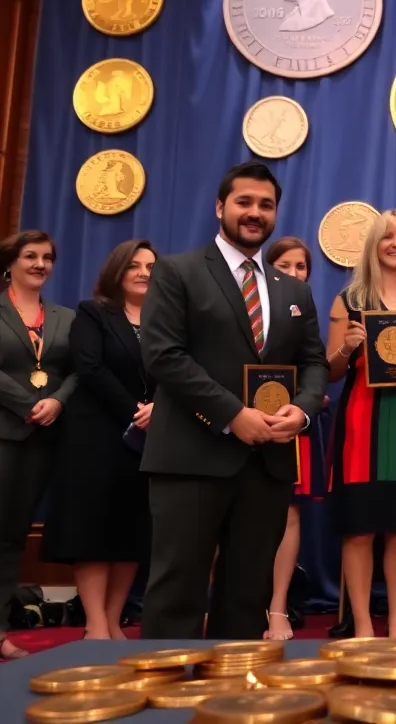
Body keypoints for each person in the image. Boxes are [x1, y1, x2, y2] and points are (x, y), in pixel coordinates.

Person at [140, 162, 328, 640]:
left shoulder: (295, 290)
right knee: (178, 588)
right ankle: (162, 697)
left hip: (267, 462)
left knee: (247, 593)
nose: (255, 212)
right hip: (192, 455)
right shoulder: (176, 272)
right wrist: (232, 415)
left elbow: (314, 363)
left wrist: (302, 411)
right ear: (220, 207)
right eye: (244, 202)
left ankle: (233, 698)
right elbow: (164, 356)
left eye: (266, 205)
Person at [327, 210, 396, 639]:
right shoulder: (349, 301)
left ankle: (395, 627)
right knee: (358, 530)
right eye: (387, 237)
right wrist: (346, 350)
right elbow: (331, 371)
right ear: (373, 245)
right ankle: (362, 627)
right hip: (360, 426)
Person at [42, 240, 156, 640]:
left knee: (131, 530)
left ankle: (112, 617)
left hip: (144, 439)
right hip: (95, 435)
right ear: (118, 271)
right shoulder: (94, 313)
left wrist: (157, 408)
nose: (144, 272)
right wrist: (135, 410)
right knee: (92, 529)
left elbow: (178, 370)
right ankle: (94, 624)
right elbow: (90, 369)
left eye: (150, 266)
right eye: (135, 265)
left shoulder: (165, 320)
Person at [0, 231, 75, 660]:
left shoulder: (64, 317)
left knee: (12, 539)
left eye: (47, 257)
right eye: (30, 256)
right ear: (11, 261)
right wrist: (29, 404)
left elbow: (79, 371)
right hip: (5, 432)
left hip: (42, 440)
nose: (40, 264)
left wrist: (58, 401)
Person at [261, 237, 331, 640]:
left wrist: (309, 395)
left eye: (301, 266)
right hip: (241, 422)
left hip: (292, 424)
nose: (293, 272)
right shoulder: (244, 305)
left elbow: (314, 362)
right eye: (284, 264)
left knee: (288, 515)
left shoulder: (304, 309)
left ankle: (277, 608)